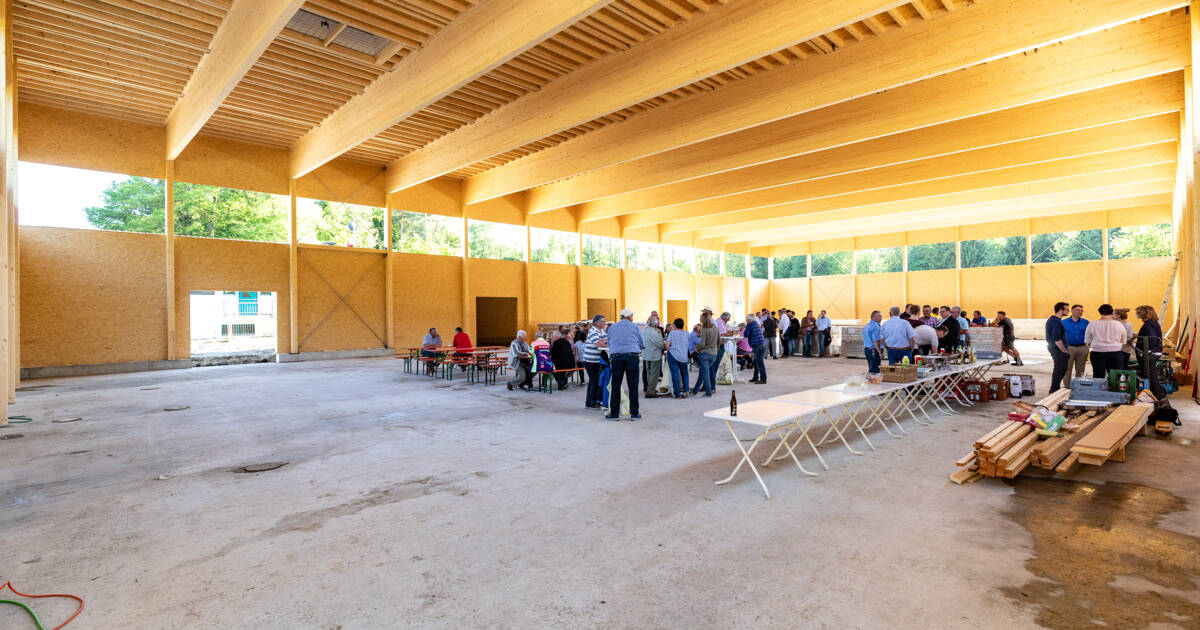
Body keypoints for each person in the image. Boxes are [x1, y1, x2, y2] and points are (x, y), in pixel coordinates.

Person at [605, 308, 644, 420]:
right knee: (633, 385)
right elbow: (642, 342)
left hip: (616, 357)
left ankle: (614, 414)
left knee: (616, 386)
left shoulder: (612, 327)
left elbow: (610, 341)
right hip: (632, 356)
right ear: (630, 317)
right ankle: (634, 413)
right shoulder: (635, 327)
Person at [1084, 303, 1127, 380]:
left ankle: (1099, 391)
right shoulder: (1119, 324)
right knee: (1115, 377)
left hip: (1098, 353)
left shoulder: (1093, 324)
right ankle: (1114, 391)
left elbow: (1087, 340)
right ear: (1112, 312)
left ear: (1100, 312)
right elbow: (1123, 341)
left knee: (1098, 375)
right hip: (1115, 353)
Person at [1133, 305, 1163, 395]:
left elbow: (1152, 339)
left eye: (1137, 313)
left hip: (1150, 354)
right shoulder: (1152, 323)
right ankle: (1155, 394)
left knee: (1151, 375)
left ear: (1143, 313)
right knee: (1151, 375)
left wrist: (1146, 351)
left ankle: (1157, 395)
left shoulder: (1149, 325)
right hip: (1152, 352)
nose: (1136, 314)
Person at [582, 315, 608, 409]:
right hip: (590, 360)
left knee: (593, 381)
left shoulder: (603, 331)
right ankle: (592, 402)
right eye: (603, 321)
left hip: (597, 360)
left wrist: (603, 341)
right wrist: (603, 341)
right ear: (597, 323)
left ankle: (589, 402)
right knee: (595, 381)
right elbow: (599, 344)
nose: (605, 323)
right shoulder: (592, 331)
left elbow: (607, 341)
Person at [691, 310, 719, 397]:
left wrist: (697, 349)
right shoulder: (715, 327)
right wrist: (715, 349)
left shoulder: (704, 329)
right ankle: (695, 390)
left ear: (702, 320)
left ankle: (708, 392)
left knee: (705, 374)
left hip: (705, 354)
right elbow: (719, 341)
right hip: (714, 354)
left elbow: (702, 344)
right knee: (703, 373)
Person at [1061, 304, 1090, 387]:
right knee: (1067, 368)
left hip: (1082, 348)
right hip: (1068, 348)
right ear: (1072, 311)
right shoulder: (1063, 322)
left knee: (1080, 369)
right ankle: (1067, 386)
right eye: (1078, 310)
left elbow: (1091, 334)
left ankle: (1078, 386)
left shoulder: (1086, 322)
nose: (1080, 312)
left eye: (1081, 310)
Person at [1045, 302, 1070, 393]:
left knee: (1060, 369)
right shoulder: (1055, 321)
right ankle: (1054, 389)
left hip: (1055, 348)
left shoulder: (1054, 320)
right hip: (1057, 348)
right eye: (1067, 309)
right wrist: (1065, 351)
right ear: (1060, 310)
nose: (1068, 311)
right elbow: (1057, 339)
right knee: (1060, 369)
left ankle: (1055, 388)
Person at [664, 318, 691, 398]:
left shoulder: (672, 333)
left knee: (675, 374)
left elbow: (667, 344)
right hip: (683, 356)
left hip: (673, 355)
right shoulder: (687, 333)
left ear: (675, 325)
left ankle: (677, 394)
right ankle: (686, 391)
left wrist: (668, 350)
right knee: (685, 374)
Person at [641, 313, 665, 399]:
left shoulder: (644, 332)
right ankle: (651, 391)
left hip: (646, 355)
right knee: (654, 374)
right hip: (654, 356)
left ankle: (650, 389)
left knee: (648, 373)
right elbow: (661, 345)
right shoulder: (655, 333)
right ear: (655, 324)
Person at [744, 315, 768, 384]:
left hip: (757, 345)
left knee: (759, 362)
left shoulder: (750, 324)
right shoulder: (755, 324)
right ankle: (755, 377)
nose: (746, 320)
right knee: (756, 361)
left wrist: (744, 328)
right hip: (762, 344)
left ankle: (763, 379)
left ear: (749, 319)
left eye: (746, 319)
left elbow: (746, 334)